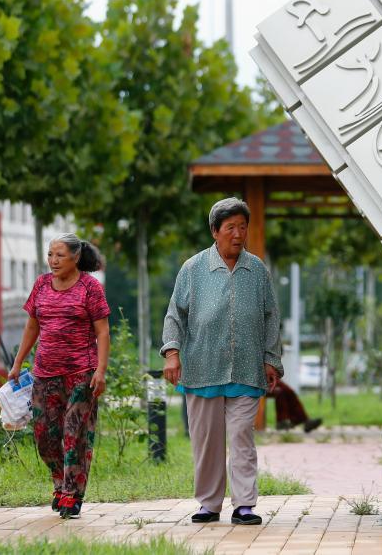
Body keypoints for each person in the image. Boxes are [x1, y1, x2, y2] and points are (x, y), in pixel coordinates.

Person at [161, 197, 283, 526]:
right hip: (202, 369)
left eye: (243, 227)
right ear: (215, 231)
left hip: (246, 367)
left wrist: (271, 359)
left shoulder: (257, 269)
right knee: (206, 441)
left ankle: (244, 504)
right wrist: (172, 353)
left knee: (242, 433)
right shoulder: (193, 269)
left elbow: (271, 316)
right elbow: (175, 315)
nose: (238, 234)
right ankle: (209, 503)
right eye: (231, 228)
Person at [9, 233, 110, 519]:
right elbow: (32, 327)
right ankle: (59, 480)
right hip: (45, 373)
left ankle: (72, 493)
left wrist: (100, 371)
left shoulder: (90, 288)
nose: (53, 261)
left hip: (81, 373)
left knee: (74, 432)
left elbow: (102, 331)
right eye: (50, 254)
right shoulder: (41, 284)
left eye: (60, 255)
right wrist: (18, 363)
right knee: (44, 435)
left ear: (75, 257)